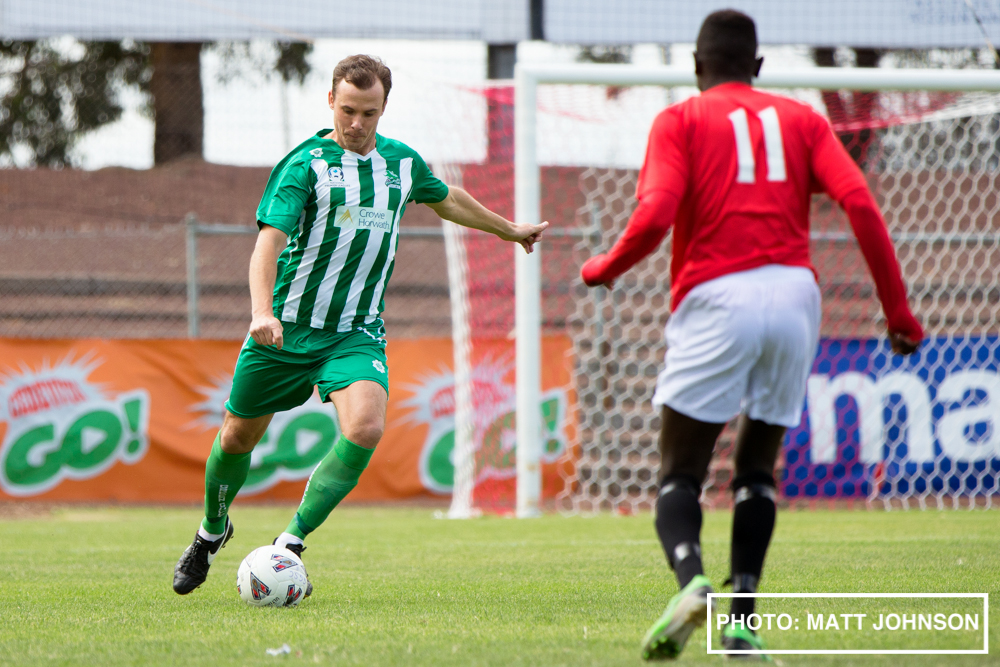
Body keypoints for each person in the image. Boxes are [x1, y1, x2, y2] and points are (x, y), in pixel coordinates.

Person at [580, 10, 923, 661]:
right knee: (757, 472)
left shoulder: (680, 119)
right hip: (795, 295)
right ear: (758, 67)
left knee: (679, 472)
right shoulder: (801, 120)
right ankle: (741, 622)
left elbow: (654, 213)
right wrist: (898, 313)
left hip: (716, 295)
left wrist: (604, 267)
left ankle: (691, 582)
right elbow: (861, 204)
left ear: (696, 66)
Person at [173, 54, 547, 596]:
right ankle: (211, 532)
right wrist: (261, 312)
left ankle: (291, 543)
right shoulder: (305, 165)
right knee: (237, 435)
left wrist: (507, 230)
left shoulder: (401, 164)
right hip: (286, 328)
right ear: (330, 101)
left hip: (354, 332)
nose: (356, 123)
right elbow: (267, 245)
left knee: (366, 426)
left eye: (368, 113)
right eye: (347, 109)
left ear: (383, 108)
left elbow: (447, 200)